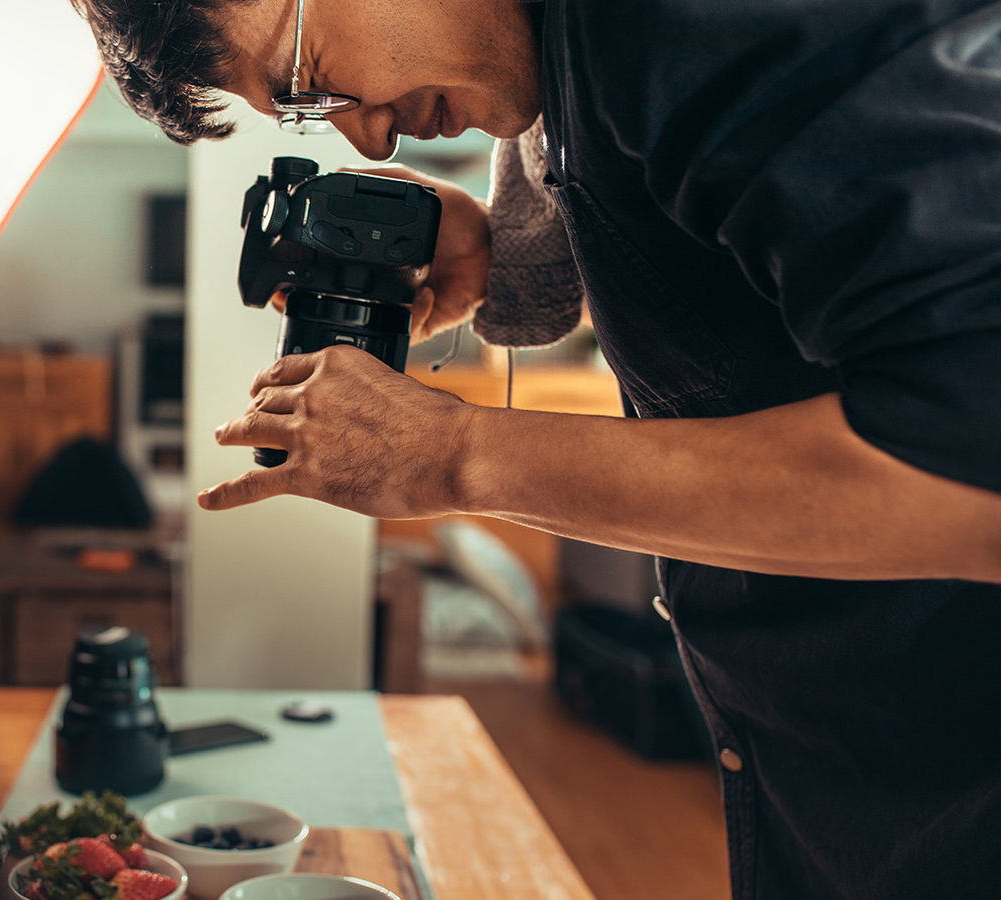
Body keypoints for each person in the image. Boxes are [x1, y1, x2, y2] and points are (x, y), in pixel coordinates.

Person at [73, 0, 1001, 896]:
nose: (370, 140)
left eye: (308, 76)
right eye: (310, 113)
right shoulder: (582, 48)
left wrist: (455, 456)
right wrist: (507, 253)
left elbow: (968, 461)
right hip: (856, 769)